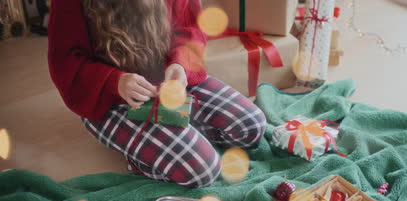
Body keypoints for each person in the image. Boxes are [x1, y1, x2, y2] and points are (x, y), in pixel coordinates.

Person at [47, 0, 266, 188]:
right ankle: (143, 156)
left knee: (252, 127)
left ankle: (178, 138)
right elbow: (65, 61)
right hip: (106, 98)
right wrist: (114, 81)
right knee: (203, 171)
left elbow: (191, 28)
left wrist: (181, 64)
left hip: (170, 77)